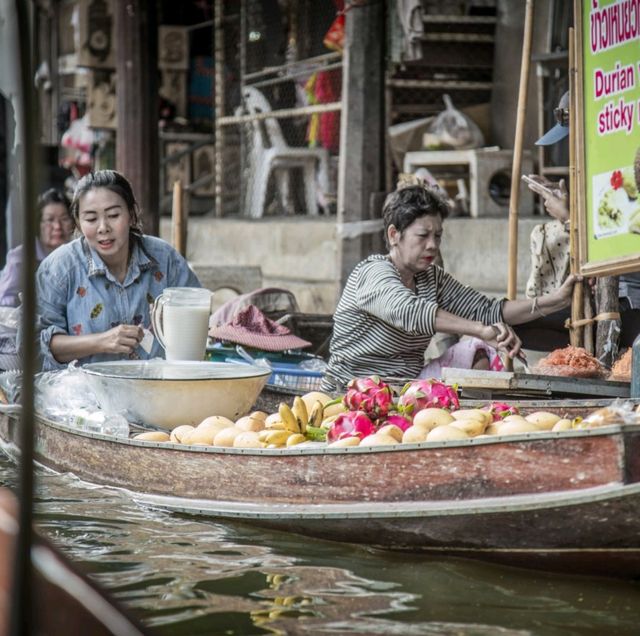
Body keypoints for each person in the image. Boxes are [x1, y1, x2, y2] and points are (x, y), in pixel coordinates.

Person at [322, 183, 577, 391]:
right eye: (423, 236)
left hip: (407, 388)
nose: (433, 245)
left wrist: (556, 300)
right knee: (482, 338)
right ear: (393, 236)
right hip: (352, 391)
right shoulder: (373, 272)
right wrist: (479, 330)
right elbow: (409, 311)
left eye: (438, 236)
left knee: (480, 347)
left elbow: (488, 310)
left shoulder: (431, 278)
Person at [36, 170, 201, 370]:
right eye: (90, 219)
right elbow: (36, 343)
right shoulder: (59, 268)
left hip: (157, 391)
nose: (103, 227)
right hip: (80, 396)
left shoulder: (164, 258)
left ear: (131, 215)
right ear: (78, 222)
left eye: (113, 215)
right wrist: (102, 341)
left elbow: (196, 315)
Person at [521, 91, 640, 350]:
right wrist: (570, 206)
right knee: (508, 323)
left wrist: (567, 217)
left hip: (629, 307)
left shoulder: (627, 171)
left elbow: (612, 244)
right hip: (598, 303)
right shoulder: (601, 178)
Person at [0, 188, 74, 307]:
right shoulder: (20, 258)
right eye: (50, 219)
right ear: (37, 224)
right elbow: (4, 300)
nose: (57, 226)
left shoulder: (76, 255)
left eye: (64, 219)